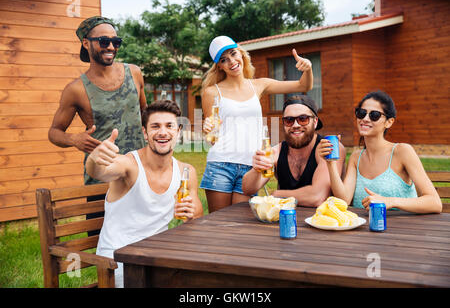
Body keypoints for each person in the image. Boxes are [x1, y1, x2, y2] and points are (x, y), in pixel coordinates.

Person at [86, 100, 204, 287]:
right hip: (118, 260)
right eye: (155, 126)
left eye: (169, 126)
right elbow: (99, 172)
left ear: (178, 132)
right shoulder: (129, 164)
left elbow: (196, 213)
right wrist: (94, 159)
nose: (163, 132)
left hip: (158, 257)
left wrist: (192, 212)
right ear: (145, 133)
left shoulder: (185, 171)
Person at [48, 16, 147, 234]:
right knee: (104, 247)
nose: (111, 46)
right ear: (86, 43)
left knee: (146, 240)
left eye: (116, 41)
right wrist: (74, 139)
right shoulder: (76, 90)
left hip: (139, 173)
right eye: (103, 41)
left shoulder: (135, 73)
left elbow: (145, 115)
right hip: (102, 179)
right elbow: (54, 132)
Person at [201, 35, 314, 213]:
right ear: (220, 66)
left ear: (241, 53)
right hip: (220, 165)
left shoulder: (259, 85)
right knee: (218, 226)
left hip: (251, 168)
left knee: (242, 224)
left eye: (233, 54)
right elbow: (212, 137)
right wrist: (208, 128)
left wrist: (307, 68)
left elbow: (303, 86)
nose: (231, 61)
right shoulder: (211, 92)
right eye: (224, 60)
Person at [317, 90, 442, 213]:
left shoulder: (402, 151)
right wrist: (331, 163)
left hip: (404, 230)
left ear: (389, 122)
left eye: (374, 115)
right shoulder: (356, 158)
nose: (365, 119)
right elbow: (343, 200)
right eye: (361, 113)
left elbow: (434, 202)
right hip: (365, 230)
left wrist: (390, 201)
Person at [242, 96, 346, 206]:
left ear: (315, 122)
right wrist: (256, 170)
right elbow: (248, 189)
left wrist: (277, 195)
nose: (296, 125)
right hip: (284, 220)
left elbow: (317, 196)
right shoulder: (276, 152)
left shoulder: (328, 148)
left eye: (303, 119)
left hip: (322, 221)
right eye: (289, 120)